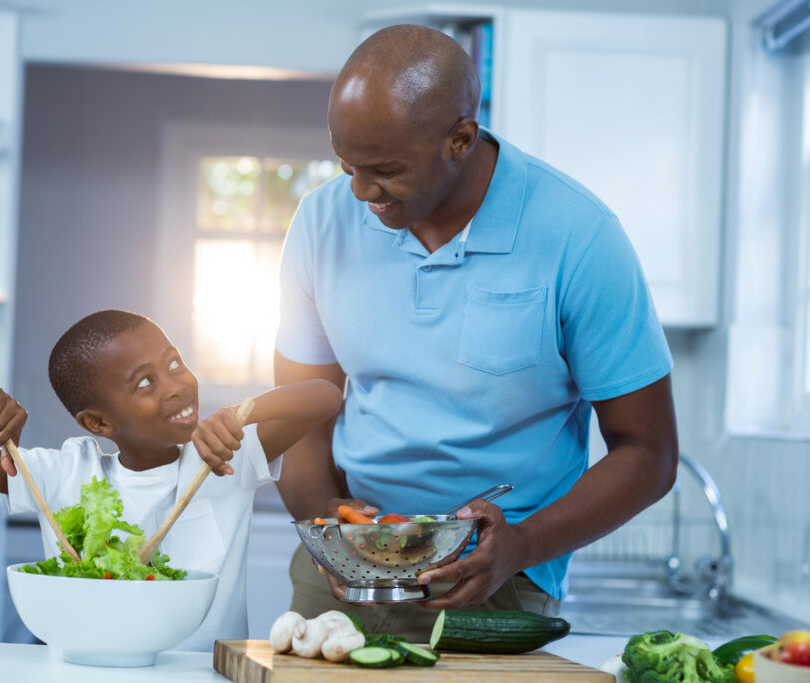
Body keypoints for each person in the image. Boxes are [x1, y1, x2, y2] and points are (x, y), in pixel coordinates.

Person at [274, 24, 679, 641]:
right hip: (343, 566)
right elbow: (297, 419)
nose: (358, 192)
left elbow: (648, 455)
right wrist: (329, 528)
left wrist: (519, 547)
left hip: (498, 578)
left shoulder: (579, 235)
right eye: (346, 165)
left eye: (383, 170)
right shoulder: (320, 221)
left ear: (460, 139)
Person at [0, 308, 343, 651]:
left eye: (175, 363)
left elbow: (325, 396)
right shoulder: (66, 473)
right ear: (98, 422)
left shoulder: (220, 455)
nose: (176, 386)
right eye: (145, 382)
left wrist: (243, 412)